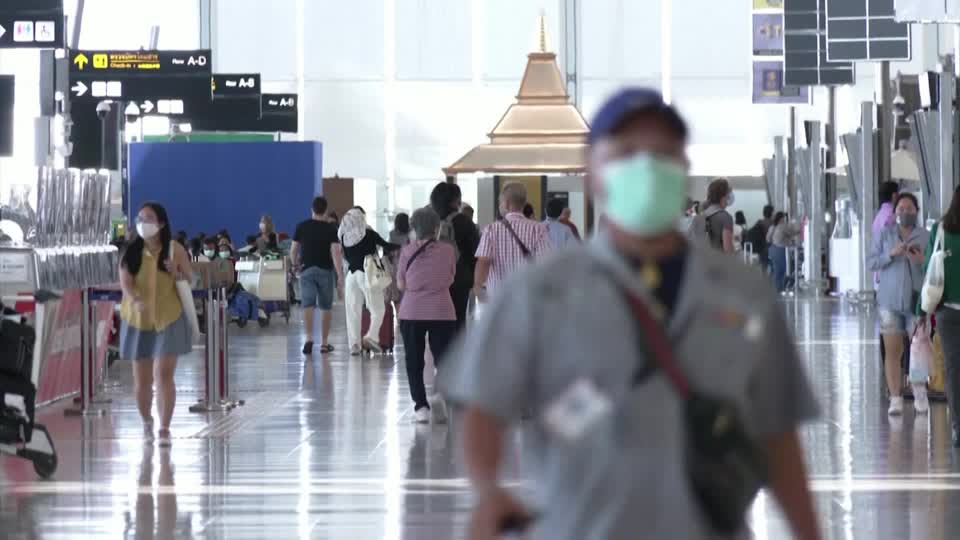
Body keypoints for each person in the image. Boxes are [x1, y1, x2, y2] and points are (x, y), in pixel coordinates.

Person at [441, 88, 820, 540]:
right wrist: (488, 489)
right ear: (593, 173)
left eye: (662, 153)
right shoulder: (540, 292)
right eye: (626, 153)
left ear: (683, 170)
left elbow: (777, 432)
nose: (646, 167)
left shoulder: (743, 292)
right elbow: (483, 402)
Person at [118, 202, 194, 448]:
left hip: (168, 319)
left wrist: (178, 272)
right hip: (138, 321)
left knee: (163, 375)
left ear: (161, 223)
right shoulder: (131, 252)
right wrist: (135, 299)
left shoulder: (175, 250)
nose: (143, 222)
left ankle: (164, 427)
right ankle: (146, 421)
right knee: (141, 381)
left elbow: (191, 279)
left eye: (149, 218)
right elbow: (126, 282)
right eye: (140, 218)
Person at [396, 207, 457, 424]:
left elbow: (401, 284)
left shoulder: (406, 251)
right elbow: (450, 278)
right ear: (436, 228)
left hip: (412, 311)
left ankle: (421, 408)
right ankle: (440, 393)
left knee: (414, 360)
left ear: (414, 228)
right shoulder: (448, 251)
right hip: (442, 310)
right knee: (444, 359)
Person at [869, 193, 928, 415]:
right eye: (901, 208)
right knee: (893, 350)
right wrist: (890, 254)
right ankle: (895, 397)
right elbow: (871, 261)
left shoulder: (925, 235)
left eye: (910, 208)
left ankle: (920, 391)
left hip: (916, 301)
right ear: (895, 213)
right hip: (889, 300)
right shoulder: (884, 235)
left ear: (917, 211)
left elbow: (935, 265)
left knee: (918, 349)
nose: (905, 212)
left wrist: (922, 260)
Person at [920, 186, 960, 445]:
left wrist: (921, 313)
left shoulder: (942, 230)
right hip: (948, 313)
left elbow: (928, 272)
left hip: (947, 312)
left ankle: (958, 427)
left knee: (954, 370)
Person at [339, 208, 400, 355]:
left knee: (353, 312)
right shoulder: (369, 233)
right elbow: (386, 245)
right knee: (378, 309)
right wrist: (403, 246)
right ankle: (371, 336)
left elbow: (345, 257)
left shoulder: (343, 237)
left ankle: (354, 345)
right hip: (368, 274)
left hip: (351, 276)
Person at [473, 182, 550, 297]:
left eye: (500, 202)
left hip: (498, 299)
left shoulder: (491, 230)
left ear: (506, 203)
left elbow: (484, 261)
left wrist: (478, 286)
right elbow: (546, 262)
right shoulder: (538, 229)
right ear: (523, 203)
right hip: (528, 297)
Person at [291, 197, 344, 355]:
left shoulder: (301, 227)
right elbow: (336, 253)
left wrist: (295, 266)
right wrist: (340, 275)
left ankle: (308, 338)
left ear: (312, 210)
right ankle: (324, 343)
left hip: (306, 270)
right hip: (325, 271)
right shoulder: (330, 229)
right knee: (325, 307)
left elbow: (293, 250)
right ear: (325, 211)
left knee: (307, 304)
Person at [430, 182, 480, 330]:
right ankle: (457, 351)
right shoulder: (465, 222)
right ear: (455, 200)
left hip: (434, 278)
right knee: (458, 320)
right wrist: (473, 278)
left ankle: (440, 351)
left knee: (437, 321)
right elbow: (474, 253)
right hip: (459, 278)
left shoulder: (430, 221)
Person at [697, 178, 735, 252]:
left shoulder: (701, 215)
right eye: (729, 192)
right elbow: (728, 251)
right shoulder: (725, 217)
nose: (731, 195)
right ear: (724, 195)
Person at [768, 212, 802, 293]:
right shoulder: (782, 226)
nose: (785, 220)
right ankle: (784, 287)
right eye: (784, 218)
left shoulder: (772, 227)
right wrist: (800, 226)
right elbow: (794, 232)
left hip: (772, 249)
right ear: (781, 219)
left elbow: (768, 239)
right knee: (786, 269)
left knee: (777, 270)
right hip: (781, 250)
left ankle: (776, 289)